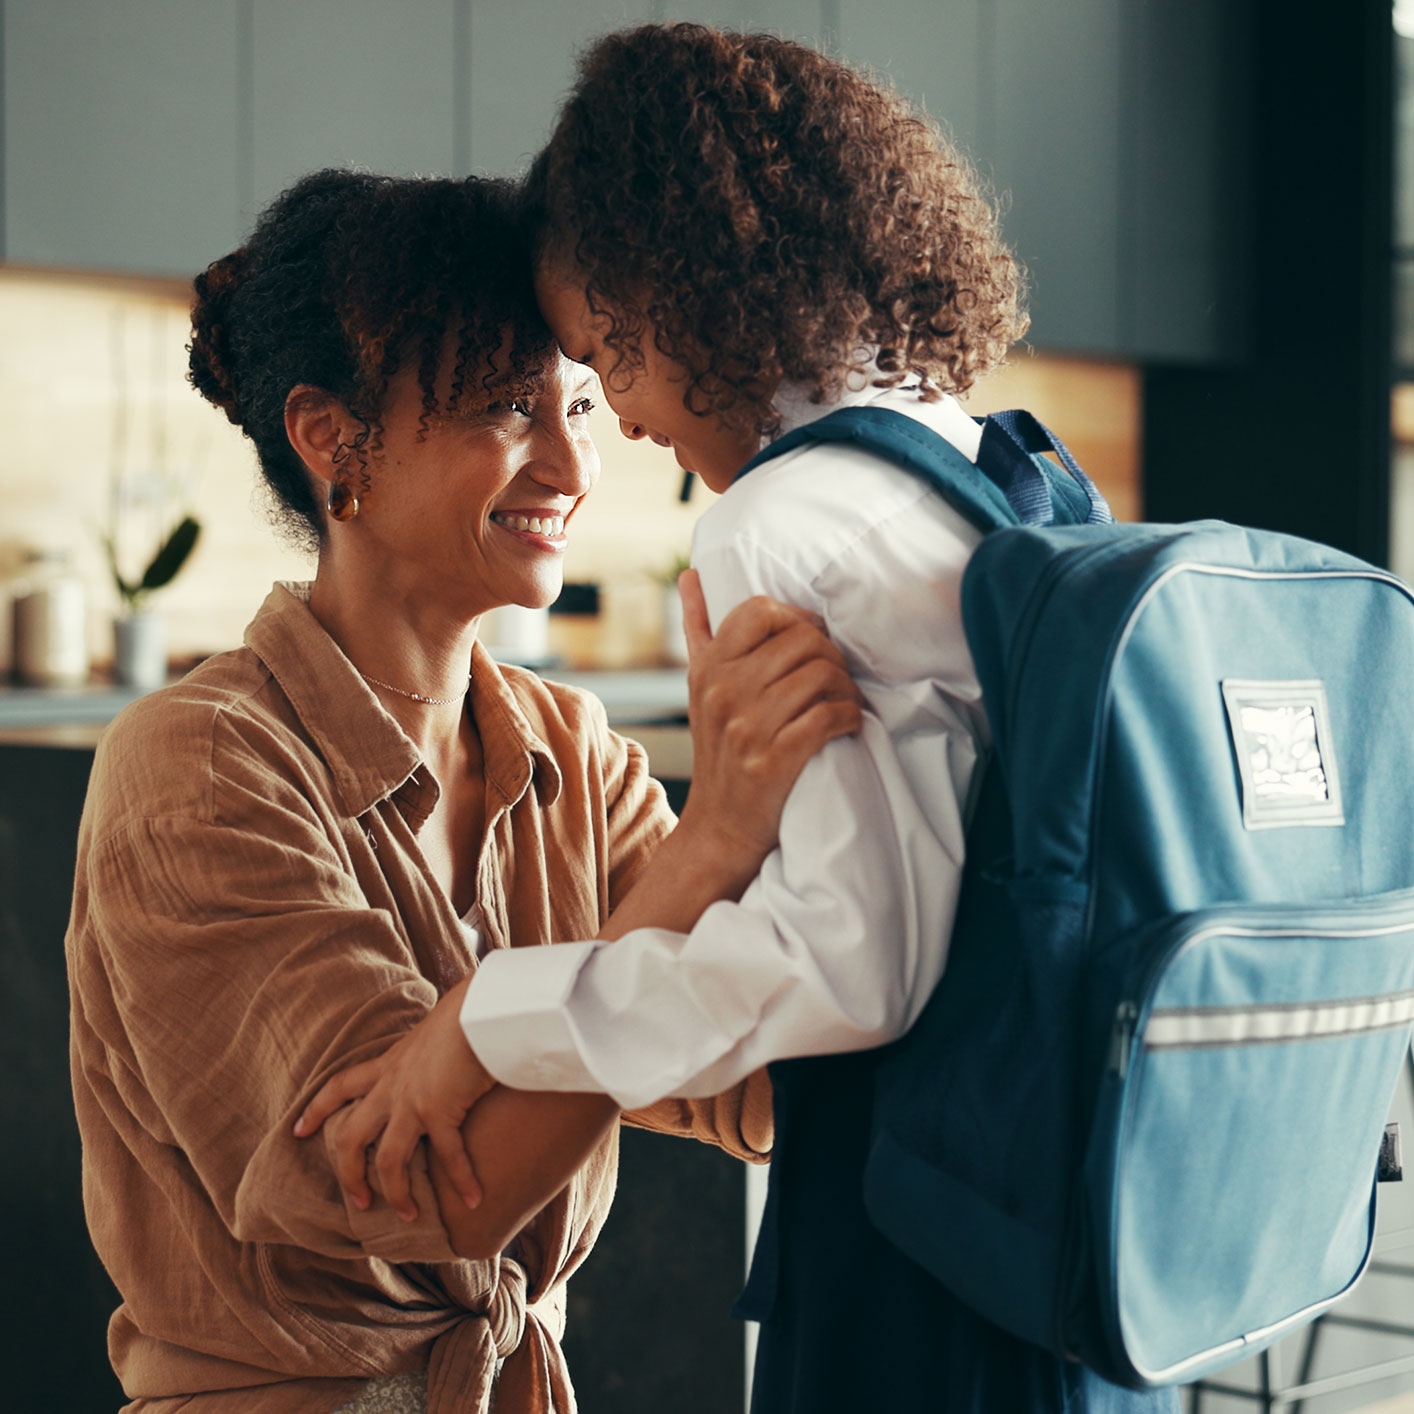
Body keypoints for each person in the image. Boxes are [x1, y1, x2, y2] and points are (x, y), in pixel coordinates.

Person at [300, 25, 1183, 1414]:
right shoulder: (975, 457)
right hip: (1076, 1226)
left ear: (675, 294)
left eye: (604, 360)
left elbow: (849, 970)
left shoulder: (777, 521)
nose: (627, 427)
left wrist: (483, 1015)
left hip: (930, 1257)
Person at [65, 167, 866, 1414]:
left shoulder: (569, 747)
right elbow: (421, 1195)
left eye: (583, 404)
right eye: (506, 405)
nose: (569, 463)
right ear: (334, 437)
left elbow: (726, 1073)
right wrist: (713, 840)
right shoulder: (199, 766)